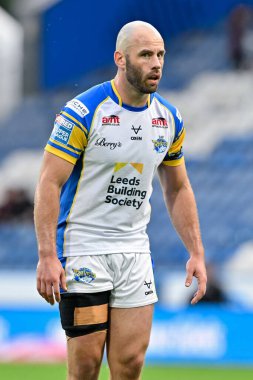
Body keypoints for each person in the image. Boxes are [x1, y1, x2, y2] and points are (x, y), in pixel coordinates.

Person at [34, 21, 207, 380]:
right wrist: (48, 256)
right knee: (84, 368)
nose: (156, 63)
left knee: (129, 366)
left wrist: (197, 252)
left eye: (160, 54)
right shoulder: (83, 112)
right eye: (145, 55)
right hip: (84, 249)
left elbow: (178, 188)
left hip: (134, 251)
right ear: (121, 59)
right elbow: (49, 183)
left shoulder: (169, 119)